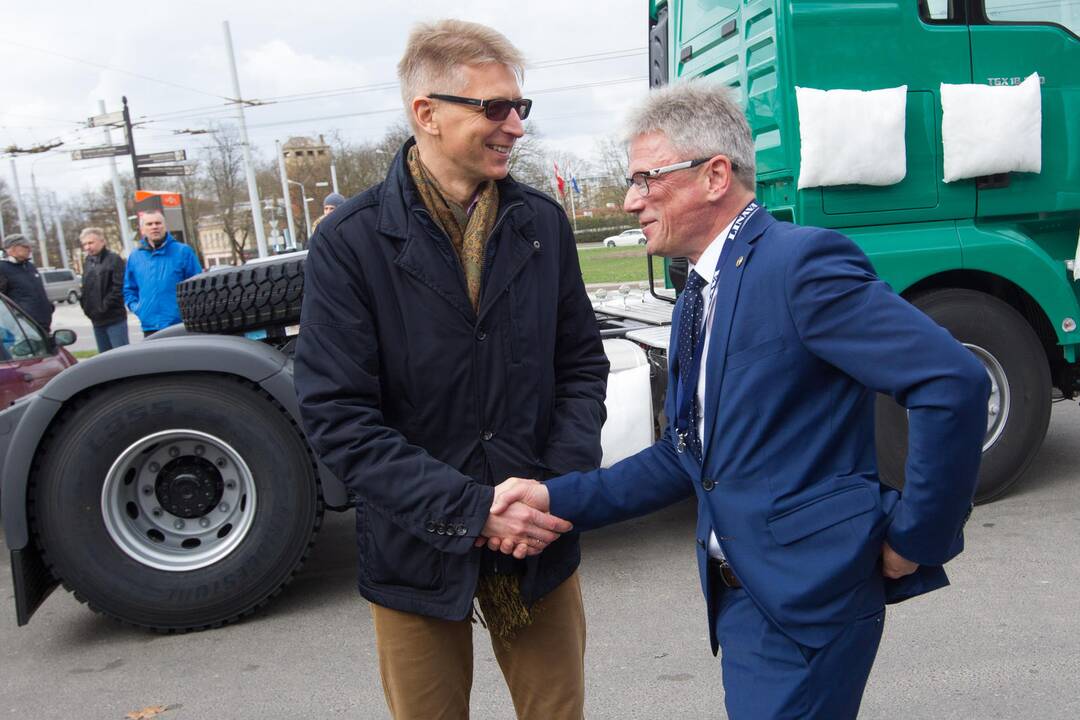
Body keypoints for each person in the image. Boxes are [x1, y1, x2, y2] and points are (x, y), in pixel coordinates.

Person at [489, 81, 990, 719]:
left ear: (715, 175)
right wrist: (554, 498)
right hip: (743, 599)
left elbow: (953, 382)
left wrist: (918, 536)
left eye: (646, 179)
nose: (630, 199)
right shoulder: (700, 291)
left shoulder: (800, 265)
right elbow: (686, 455)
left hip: (809, 603)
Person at [293, 19, 609, 720]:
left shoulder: (542, 225)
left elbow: (582, 369)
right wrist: (470, 512)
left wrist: (547, 495)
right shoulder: (351, 244)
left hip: (538, 535)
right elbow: (337, 416)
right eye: (494, 108)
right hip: (415, 545)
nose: (515, 127)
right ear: (426, 114)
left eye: (519, 108)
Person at [123, 210, 202, 337]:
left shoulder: (183, 252)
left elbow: (198, 285)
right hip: (150, 326)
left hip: (180, 325)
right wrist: (138, 308)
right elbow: (129, 289)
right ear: (142, 229)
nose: (154, 227)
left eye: (158, 223)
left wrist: (186, 312)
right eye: (149, 224)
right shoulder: (135, 256)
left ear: (164, 226)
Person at [78, 227, 129, 352]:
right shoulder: (88, 262)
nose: (87, 247)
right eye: (84, 244)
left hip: (114, 318)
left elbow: (118, 287)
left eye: (90, 243)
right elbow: (86, 289)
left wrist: (103, 307)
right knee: (104, 358)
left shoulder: (114, 259)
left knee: (120, 355)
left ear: (102, 241)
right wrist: (86, 308)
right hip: (96, 320)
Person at [0, 234, 52, 331]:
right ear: (13, 248)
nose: (30, 250)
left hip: (43, 324)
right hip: (22, 328)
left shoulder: (30, 266)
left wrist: (49, 307)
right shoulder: (2, 268)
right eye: (26, 247)